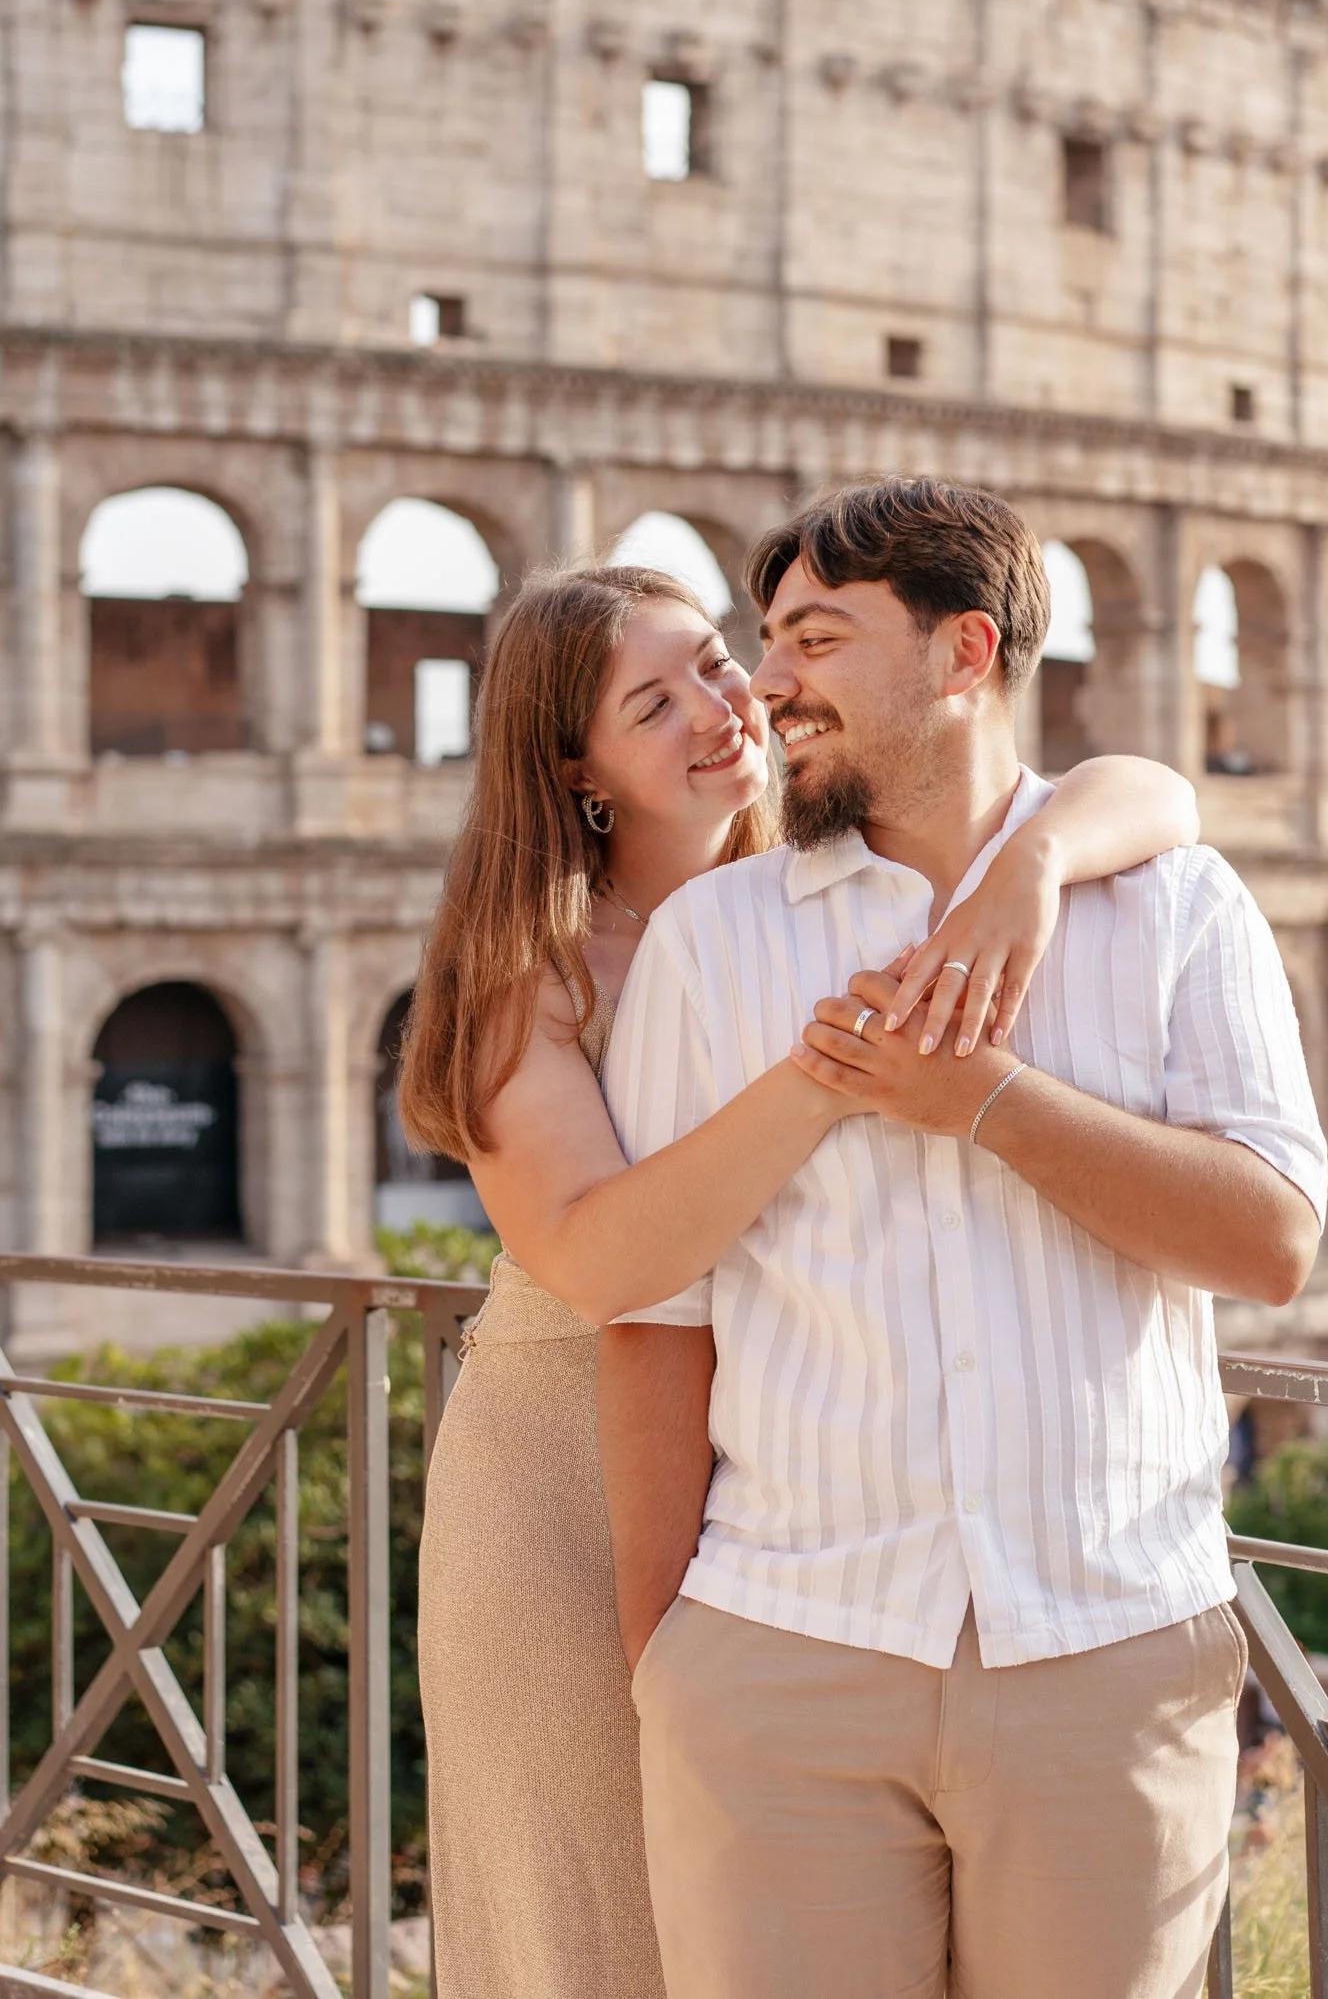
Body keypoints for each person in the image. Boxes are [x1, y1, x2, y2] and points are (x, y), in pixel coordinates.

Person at [401, 556, 1204, 1999]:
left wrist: (1031, 860)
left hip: (802, 1477)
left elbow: (1153, 795)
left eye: (715, 661)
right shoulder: (529, 966)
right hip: (571, 1482)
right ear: (575, 771)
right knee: (601, 1934)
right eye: (653, 703)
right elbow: (601, 1261)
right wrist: (834, 1068)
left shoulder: (819, 878)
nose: (722, 707)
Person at [599, 477, 1328, 1999]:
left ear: (962, 651)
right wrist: (664, 1658)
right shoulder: (711, 942)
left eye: (813, 639)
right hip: (781, 1640)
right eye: (766, 639)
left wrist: (988, 1100)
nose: (768, 684)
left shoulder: (1179, 909)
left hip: (1105, 1642)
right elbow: (659, 1314)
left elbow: (1267, 1241)